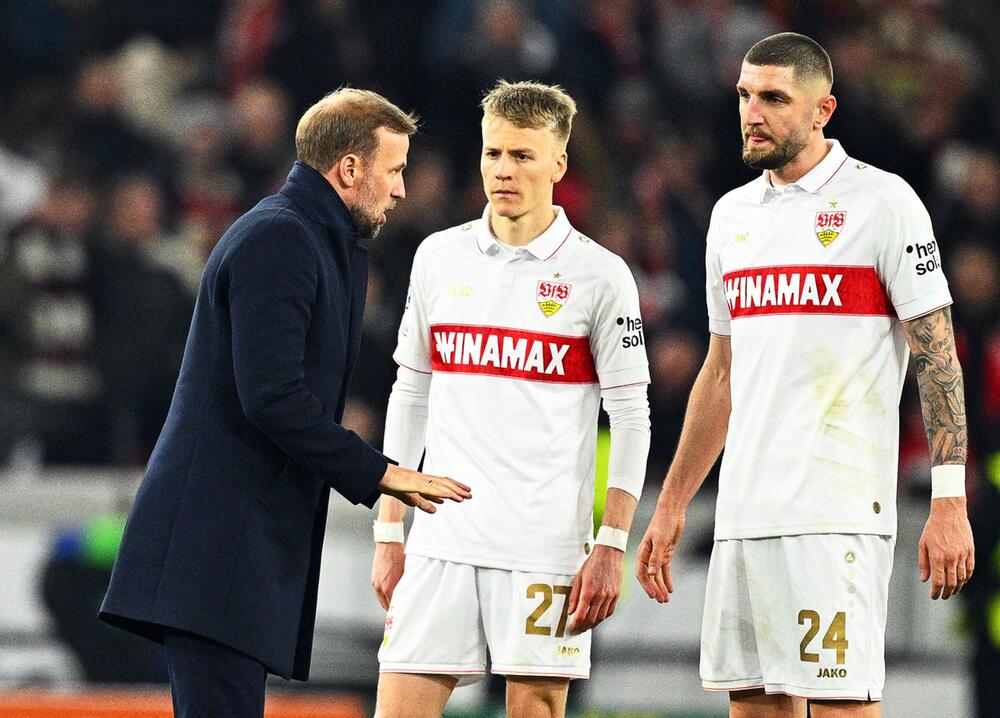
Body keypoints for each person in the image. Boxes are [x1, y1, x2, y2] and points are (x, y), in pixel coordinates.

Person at [99, 88, 472, 718]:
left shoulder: (317, 242)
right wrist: (381, 474)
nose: (402, 189)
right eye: (396, 169)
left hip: (239, 547)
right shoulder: (282, 238)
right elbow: (272, 398)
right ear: (350, 170)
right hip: (218, 548)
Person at [635, 33, 975, 718]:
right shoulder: (730, 218)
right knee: (755, 705)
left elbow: (938, 355)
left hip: (837, 512)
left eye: (772, 98)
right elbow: (721, 373)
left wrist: (949, 499)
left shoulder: (884, 203)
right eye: (743, 96)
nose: (751, 113)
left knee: (842, 705)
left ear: (824, 110)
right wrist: (673, 504)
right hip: (743, 513)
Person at [369, 80, 651, 718]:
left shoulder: (600, 276)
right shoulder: (439, 257)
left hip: (543, 547)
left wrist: (611, 543)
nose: (503, 169)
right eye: (493, 153)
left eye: (522, 155)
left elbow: (632, 417)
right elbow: (409, 392)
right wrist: (389, 530)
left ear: (559, 164)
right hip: (441, 541)